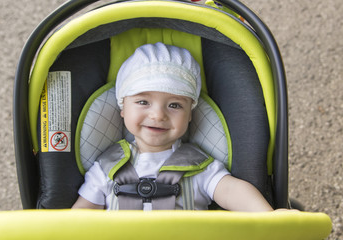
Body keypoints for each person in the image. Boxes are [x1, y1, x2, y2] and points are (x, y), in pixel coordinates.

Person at [72, 42, 273, 211]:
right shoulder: (107, 168)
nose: (158, 115)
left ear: (190, 116)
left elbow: (231, 191)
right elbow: (78, 219)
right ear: (122, 107)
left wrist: (268, 216)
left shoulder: (200, 168)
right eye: (143, 102)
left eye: (174, 105)